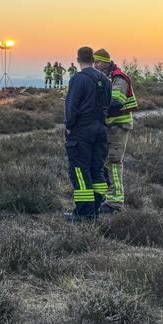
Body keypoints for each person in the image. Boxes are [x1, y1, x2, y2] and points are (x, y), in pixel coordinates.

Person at [63, 47, 111, 222]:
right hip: (101, 130)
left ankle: (84, 214)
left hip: (82, 131)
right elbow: (108, 104)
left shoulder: (78, 79)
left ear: (78, 59)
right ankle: (95, 208)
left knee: (80, 171)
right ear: (93, 59)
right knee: (96, 169)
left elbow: (71, 106)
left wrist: (68, 126)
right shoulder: (105, 80)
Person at [93, 48, 138, 213]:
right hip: (109, 127)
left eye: (98, 62)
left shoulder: (118, 78)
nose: (96, 65)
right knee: (106, 162)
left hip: (118, 126)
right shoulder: (106, 78)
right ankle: (109, 197)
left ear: (106, 61)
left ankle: (115, 204)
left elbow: (116, 102)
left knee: (113, 162)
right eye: (94, 62)